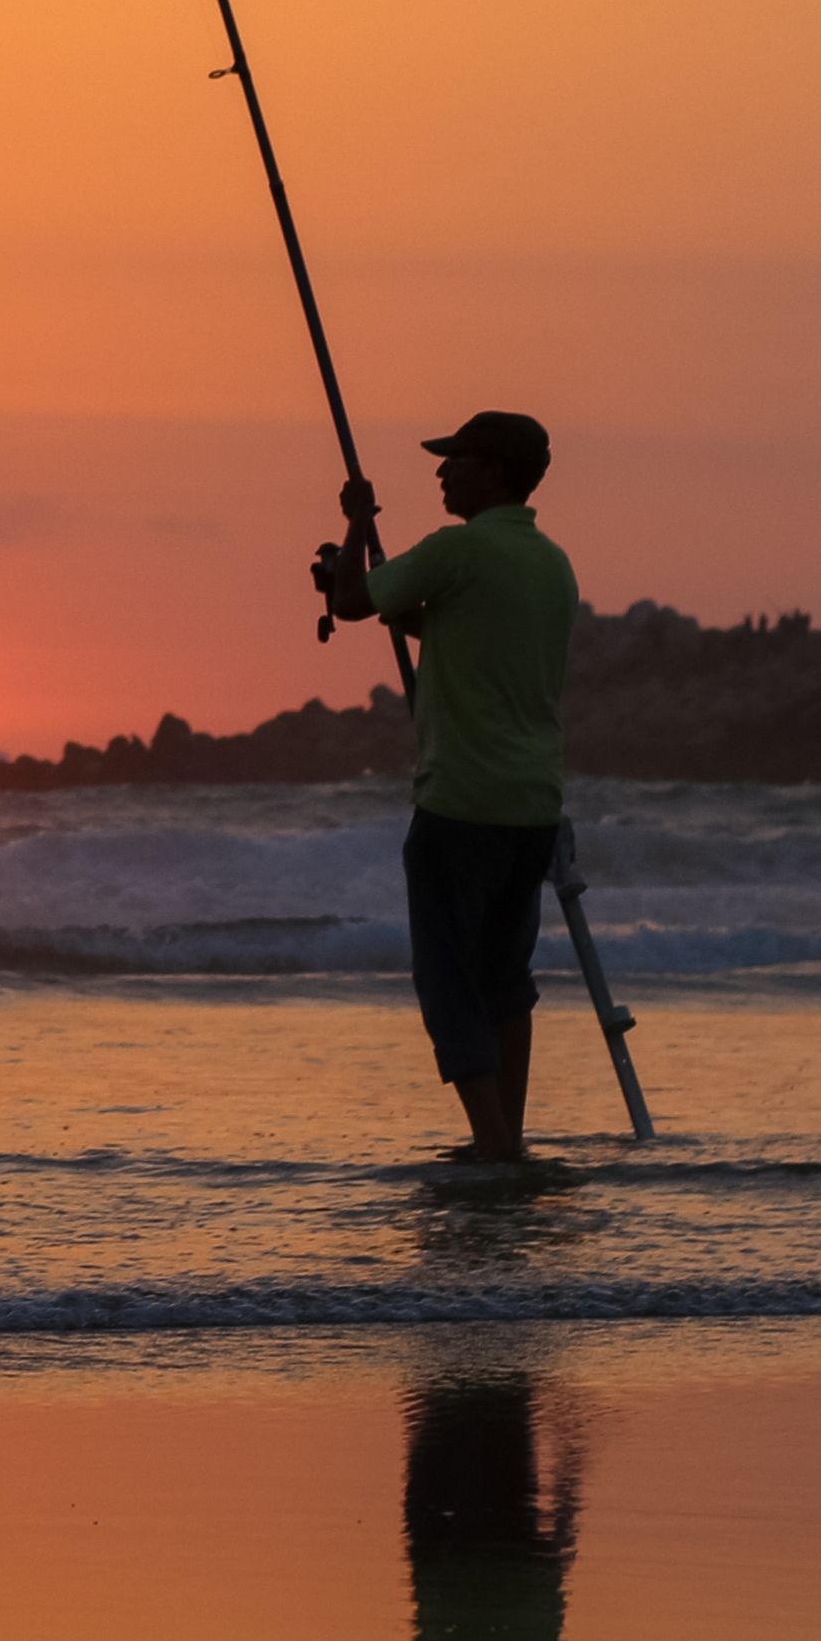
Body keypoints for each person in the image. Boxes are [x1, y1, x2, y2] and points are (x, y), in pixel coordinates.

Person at [318, 411, 577, 1161]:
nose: (441, 473)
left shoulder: (459, 548)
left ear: (494, 471)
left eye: (455, 460)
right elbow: (455, 629)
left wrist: (357, 525)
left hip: (459, 801)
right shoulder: (550, 562)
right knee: (505, 978)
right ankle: (509, 1136)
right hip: (533, 805)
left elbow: (353, 602)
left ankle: (493, 1146)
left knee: (449, 981)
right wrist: (368, 570)